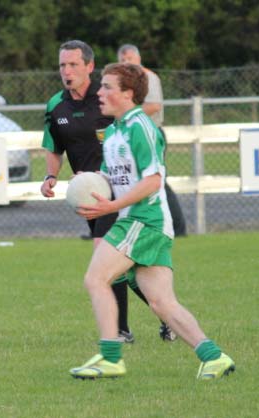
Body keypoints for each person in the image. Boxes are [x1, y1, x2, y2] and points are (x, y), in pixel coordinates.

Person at [69, 63, 235, 380]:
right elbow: (115, 176)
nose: (99, 92)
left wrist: (113, 206)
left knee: (96, 279)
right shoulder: (115, 129)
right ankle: (214, 357)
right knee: (161, 303)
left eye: (106, 87)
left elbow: (153, 181)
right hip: (145, 223)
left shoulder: (140, 127)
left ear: (127, 93)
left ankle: (110, 357)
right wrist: (91, 180)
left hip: (143, 220)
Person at [40, 40, 134, 343]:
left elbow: (130, 142)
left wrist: (102, 173)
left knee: (103, 258)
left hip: (118, 191)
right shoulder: (56, 105)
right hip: (88, 194)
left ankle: (119, 332)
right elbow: (54, 146)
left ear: (89, 67)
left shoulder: (108, 98)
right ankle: (164, 316)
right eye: (62, 66)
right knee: (130, 268)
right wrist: (50, 176)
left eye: (73, 65)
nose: (66, 71)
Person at [117, 44, 187, 239]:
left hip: (151, 133)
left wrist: (127, 113)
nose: (126, 63)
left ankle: (179, 228)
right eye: (122, 60)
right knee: (128, 180)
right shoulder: (122, 83)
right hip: (132, 135)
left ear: (139, 59)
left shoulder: (148, 77)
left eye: (129, 58)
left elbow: (154, 106)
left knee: (157, 180)